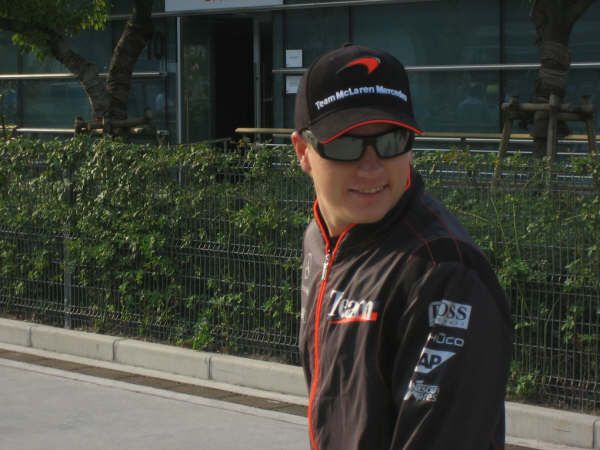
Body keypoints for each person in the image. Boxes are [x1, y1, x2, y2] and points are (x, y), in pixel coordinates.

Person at [291, 44, 512, 450]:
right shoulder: (320, 240)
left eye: (392, 141)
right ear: (303, 152)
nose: (371, 166)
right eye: (345, 144)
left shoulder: (443, 272)